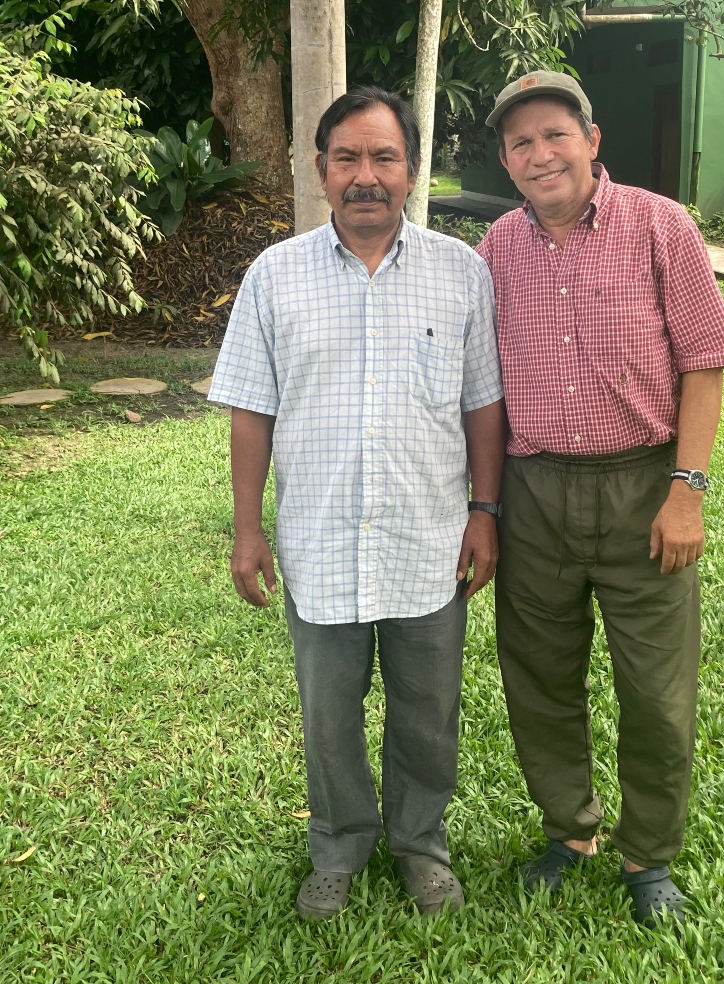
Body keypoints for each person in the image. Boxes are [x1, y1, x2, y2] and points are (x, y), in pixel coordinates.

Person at [209, 87, 505, 922]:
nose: (365, 176)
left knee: (427, 710)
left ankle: (421, 848)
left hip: (428, 540)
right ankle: (337, 844)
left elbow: (482, 404)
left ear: (412, 171)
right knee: (329, 715)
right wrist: (246, 527)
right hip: (319, 541)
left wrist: (486, 511)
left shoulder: (462, 273)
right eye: (347, 158)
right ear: (319, 168)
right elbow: (250, 409)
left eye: (383, 158)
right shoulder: (275, 276)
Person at [476, 71, 724, 926]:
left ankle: (648, 856)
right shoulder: (494, 248)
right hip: (534, 494)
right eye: (520, 143)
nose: (538, 153)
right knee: (538, 680)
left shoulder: (661, 225)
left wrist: (686, 491)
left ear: (591, 141)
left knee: (656, 692)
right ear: (506, 161)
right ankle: (570, 832)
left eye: (554, 133)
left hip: (644, 488)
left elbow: (703, 360)